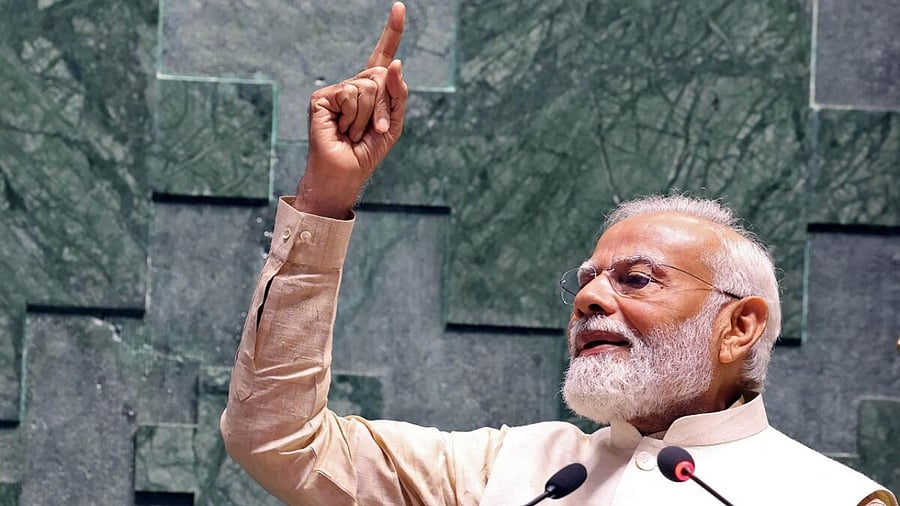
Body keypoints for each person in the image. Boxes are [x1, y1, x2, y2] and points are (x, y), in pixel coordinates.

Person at [220, 3, 897, 505]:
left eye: (637, 279)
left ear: (740, 325)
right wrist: (324, 197)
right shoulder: (512, 470)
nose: (589, 298)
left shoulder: (832, 498)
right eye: (587, 280)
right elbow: (279, 443)